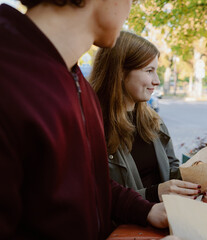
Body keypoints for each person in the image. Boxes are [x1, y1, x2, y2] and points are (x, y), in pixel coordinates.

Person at [0, 1, 174, 239]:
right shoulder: (10, 76)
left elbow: (91, 184)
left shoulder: (77, 83)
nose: (129, 9)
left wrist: (146, 210)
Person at [90, 31, 207, 203]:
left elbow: (169, 171)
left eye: (156, 70)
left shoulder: (153, 121)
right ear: (120, 72)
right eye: (149, 71)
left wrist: (193, 179)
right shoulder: (93, 125)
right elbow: (97, 197)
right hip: (123, 229)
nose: (157, 81)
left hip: (164, 221)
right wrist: (152, 194)